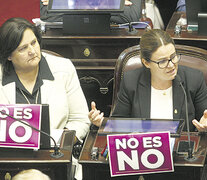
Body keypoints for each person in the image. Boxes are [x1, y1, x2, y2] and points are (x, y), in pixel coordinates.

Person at [0, 17, 90, 180]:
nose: (33, 51)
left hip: (56, 161)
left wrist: (62, 142)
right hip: (9, 164)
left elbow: (81, 119)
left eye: (34, 43)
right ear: (9, 56)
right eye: (23, 48)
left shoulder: (63, 68)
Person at [89, 29, 207, 132]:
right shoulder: (132, 81)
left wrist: (203, 127)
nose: (171, 65)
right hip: (143, 150)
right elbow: (120, 124)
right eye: (162, 61)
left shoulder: (194, 79)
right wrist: (101, 123)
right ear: (146, 63)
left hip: (181, 153)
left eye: (173, 57)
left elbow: (203, 120)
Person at [40, 0, 142, 24]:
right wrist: (115, 4)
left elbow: (132, 17)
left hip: (114, 41)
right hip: (70, 41)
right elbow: (46, 15)